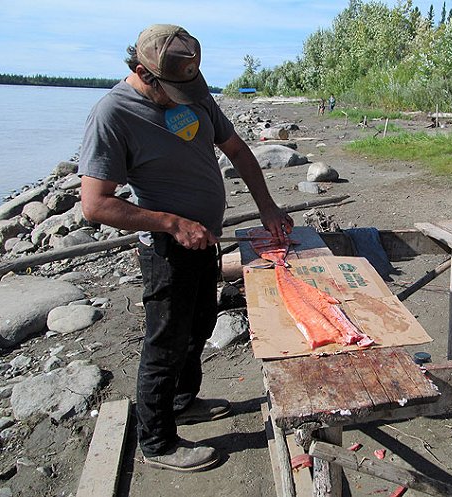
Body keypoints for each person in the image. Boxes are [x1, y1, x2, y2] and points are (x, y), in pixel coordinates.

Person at [78, 24, 293, 472]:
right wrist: (172, 224)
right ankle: (156, 443)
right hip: (166, 251)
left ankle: (182, 401)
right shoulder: (113, 114)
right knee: (165, 341)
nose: (185, 96)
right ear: (142, 71)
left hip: (205, 240)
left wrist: (268, 208)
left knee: (200, 325)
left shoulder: (193, 96)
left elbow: (237, 150)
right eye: (175, 88)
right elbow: (95, 205)